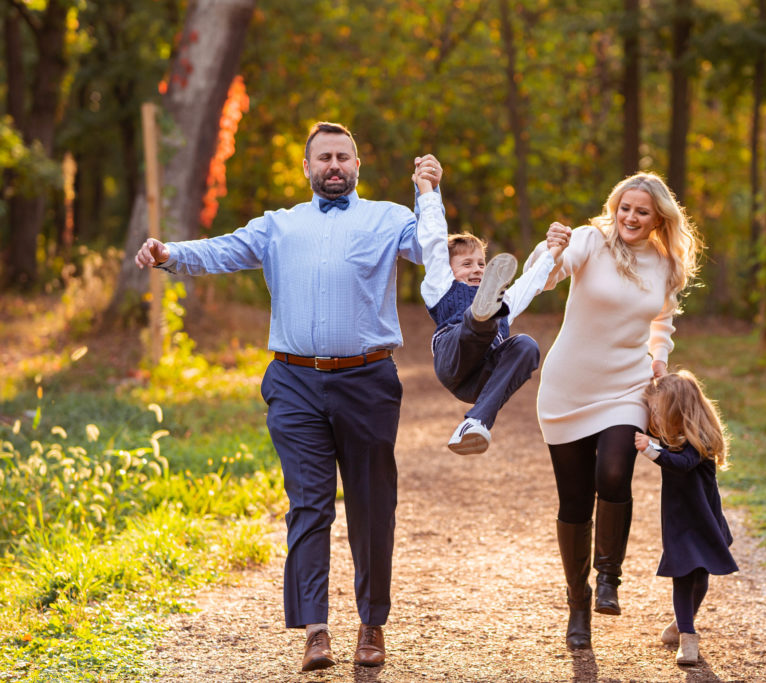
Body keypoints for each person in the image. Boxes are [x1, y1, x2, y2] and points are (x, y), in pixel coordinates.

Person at [134, 121, 444, 672]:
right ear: (306, 167)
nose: (333, 165)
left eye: (343, 157)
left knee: (373, 506)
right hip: (294, 383)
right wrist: (167, 253)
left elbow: (431, 251)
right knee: (309, 504)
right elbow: (223, 250)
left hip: (368, 380)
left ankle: (372, 624)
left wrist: (428, 194)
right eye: (323, 156)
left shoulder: (390, 218)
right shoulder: (278, 226)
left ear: (356, 166)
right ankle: (316, 631)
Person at [526, 172, 703, 651]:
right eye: (625, 208)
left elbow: (662, 320)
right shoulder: (588, 240)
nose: (630, 217)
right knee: (574, 500)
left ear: (656, 218)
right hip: (567, 387)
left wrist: (659, 360)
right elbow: (542, 281)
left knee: (615, 470)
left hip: (627, 385)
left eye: (642, 212)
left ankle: (609, 577)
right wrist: (551, 248)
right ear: (615, 207)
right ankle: (577, 602)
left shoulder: (665, 265)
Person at [412, 168, 565, 454]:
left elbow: (529, 285)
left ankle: (476, 423)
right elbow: (433, 238)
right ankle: (481, 315)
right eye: (467, 264)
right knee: (482, 319)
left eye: (481, 264)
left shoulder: (504, 300)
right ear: (449, 269)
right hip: (453, 357)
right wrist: (427, 192)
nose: (476, 269)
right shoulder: (440, 285)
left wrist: (552, 254)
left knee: (526, 345)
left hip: (478, 380)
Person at [635, 369, 738, 666]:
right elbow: (653, 431)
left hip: (703, 520)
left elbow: (682, 464)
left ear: (677, 410)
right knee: (682, 577)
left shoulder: (697, 440)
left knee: (700, 577)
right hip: (680, 522)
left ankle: (683, 623)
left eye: (659, 409)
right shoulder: (670, 435)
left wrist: (651, 451)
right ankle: (688, 638)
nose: (654, 416)